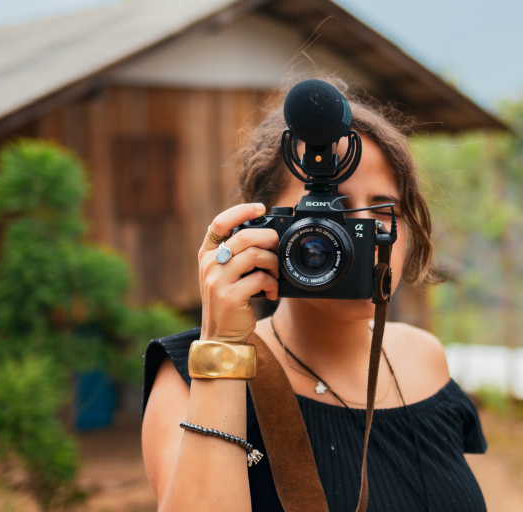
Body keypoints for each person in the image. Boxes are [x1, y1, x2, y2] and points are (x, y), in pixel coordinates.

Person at [142, 79, 487, 512]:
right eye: (335, 213)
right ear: (267, 229)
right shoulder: (188, 380)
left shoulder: (424, 357)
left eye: (382, 212)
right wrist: (223, 349)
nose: (359, 239)